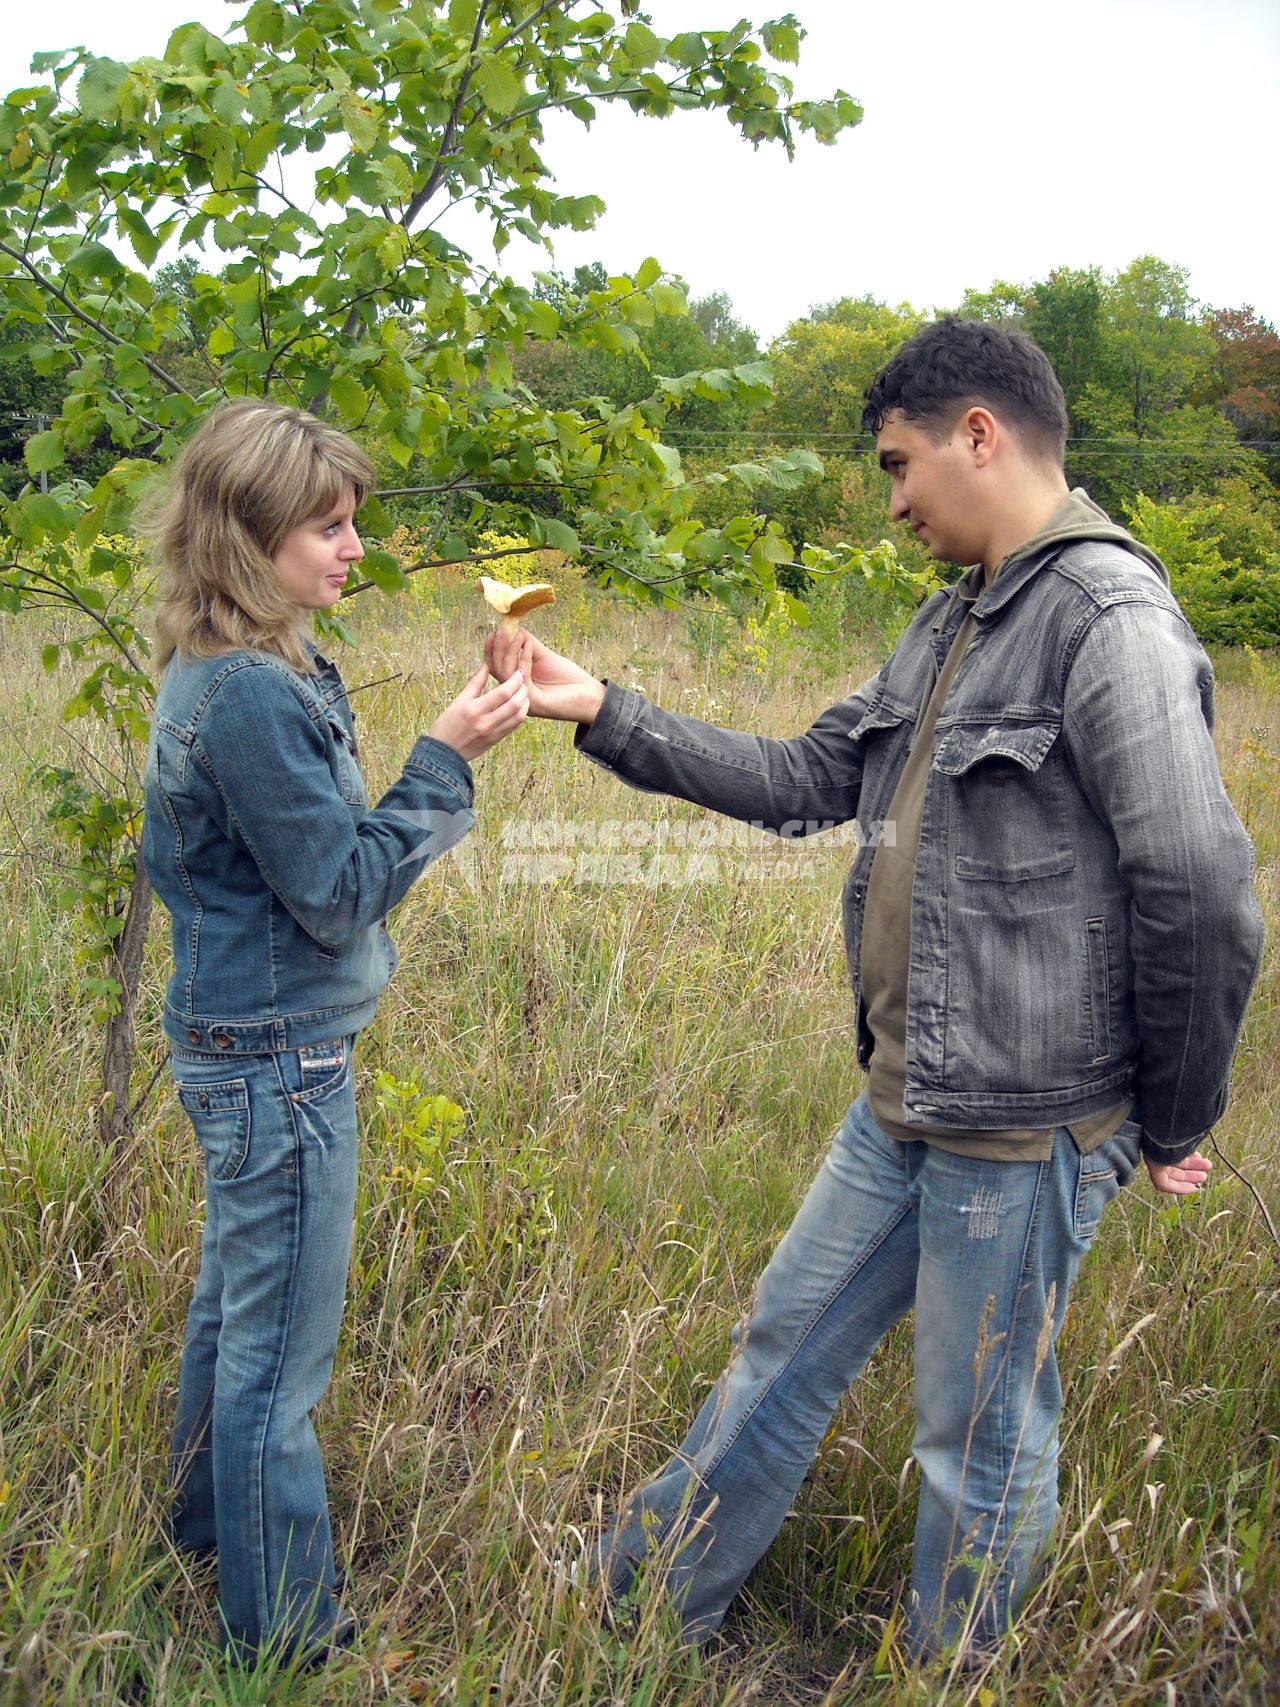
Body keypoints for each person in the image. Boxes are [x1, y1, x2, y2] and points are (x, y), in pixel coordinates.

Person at [486, 318, 1264, 1663]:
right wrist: (598, 704)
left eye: (902, 464)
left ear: (981, 434)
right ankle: (634, 1610)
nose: (894, 499)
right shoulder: (953, 614)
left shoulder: (1109, 617)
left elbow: (1197, 878)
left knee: (977, 1434)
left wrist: (1174, 1115)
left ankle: (945, 1679)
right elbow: (805, 778)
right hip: (903, 1098)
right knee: (778, 1349)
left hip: (1023, 1129)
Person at [142, 399, 528, 1664]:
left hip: (246, 1043)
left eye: (350, 521)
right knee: (274, 1360)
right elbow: (339, 893)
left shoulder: (247, 665)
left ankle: (207, 1531)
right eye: (327, 526)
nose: (353, 547)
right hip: (276, 1060)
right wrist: (444, 757)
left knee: (228, 1311)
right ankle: (289, 1637)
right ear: (250, 539)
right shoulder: (248, 693)